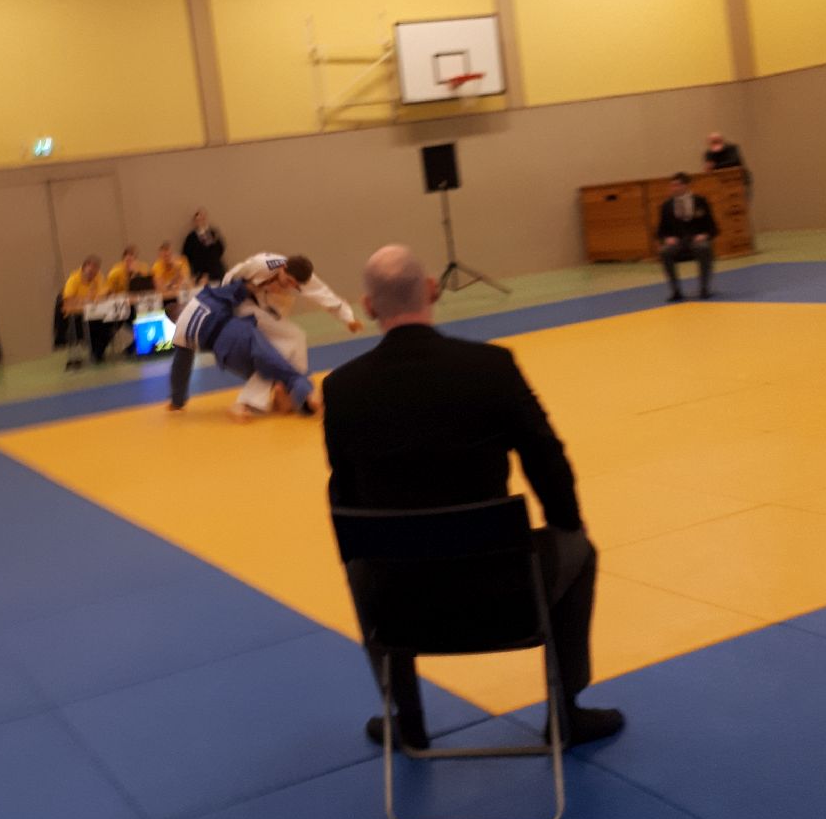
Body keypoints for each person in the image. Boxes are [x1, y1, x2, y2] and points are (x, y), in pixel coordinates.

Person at [322, 244, 624, 752]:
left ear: (368, 306)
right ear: (432, 290)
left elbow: (344, 495)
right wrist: (565, 525)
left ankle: (406, 717)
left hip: (400, 604)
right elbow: (548, 462)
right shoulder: (492, 367)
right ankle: (565, 710)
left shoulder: (342, 389)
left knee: (360, 566)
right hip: (506, 592)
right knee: (579, 548)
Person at [223, 251, 362, 418]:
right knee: (292, 338)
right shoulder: (261, 265)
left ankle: (288, 393)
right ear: (283, 267)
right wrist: (222, 309)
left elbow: (324, 295)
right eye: (288, 280)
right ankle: (290, 393)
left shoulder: (302, 276)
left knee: (286, 345)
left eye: (294, 285)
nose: (290, 285)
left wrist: (348, 318)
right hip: (240, 307)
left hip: (264, 307)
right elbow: (230, 278)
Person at [166, 278, 318, 419]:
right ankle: (308, 399)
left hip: (227, 355)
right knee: (279, 368)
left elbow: (180, 370)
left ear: (174, 321)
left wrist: (177, 401)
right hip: (241, 333)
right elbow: (238, 289)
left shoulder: (180, 333)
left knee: (264, 372)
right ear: (183, 305)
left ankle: (281, 398)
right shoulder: (204, 298)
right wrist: (263, 285)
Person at [657, 172, 719, 302]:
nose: (674, 188)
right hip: (678, 241)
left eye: (677, 185)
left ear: (686, 185)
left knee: (704, 248)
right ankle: (676, 291)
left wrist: (704, 235)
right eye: (672, 185)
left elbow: (713, 227)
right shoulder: (666, 206)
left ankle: (704, 288)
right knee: (665, 252)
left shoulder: (701, 202)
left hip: (696, 239)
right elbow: (660, 231)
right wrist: (667, 238)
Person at [61, 255, 113, 364]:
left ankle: (98, 352)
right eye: (90, 270)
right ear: (84, 267)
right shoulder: (73, 279)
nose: (92, 274)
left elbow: (105, 290)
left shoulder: (98, 277)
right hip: (78, 316)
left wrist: (101, 295)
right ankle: (96, 352)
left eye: (95, 271)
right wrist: (85, 300)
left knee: (111, 322)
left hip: (96, 312)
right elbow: (68, 300)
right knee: (97, 325)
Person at [181, 209, 225, 284]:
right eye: (198, 220)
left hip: (215, 270)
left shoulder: (213, 233)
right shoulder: (191, 237)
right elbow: (185, 255)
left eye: (203, 219)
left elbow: (221, 249)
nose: (201, 222)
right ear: (195, 222)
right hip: (200, 271)